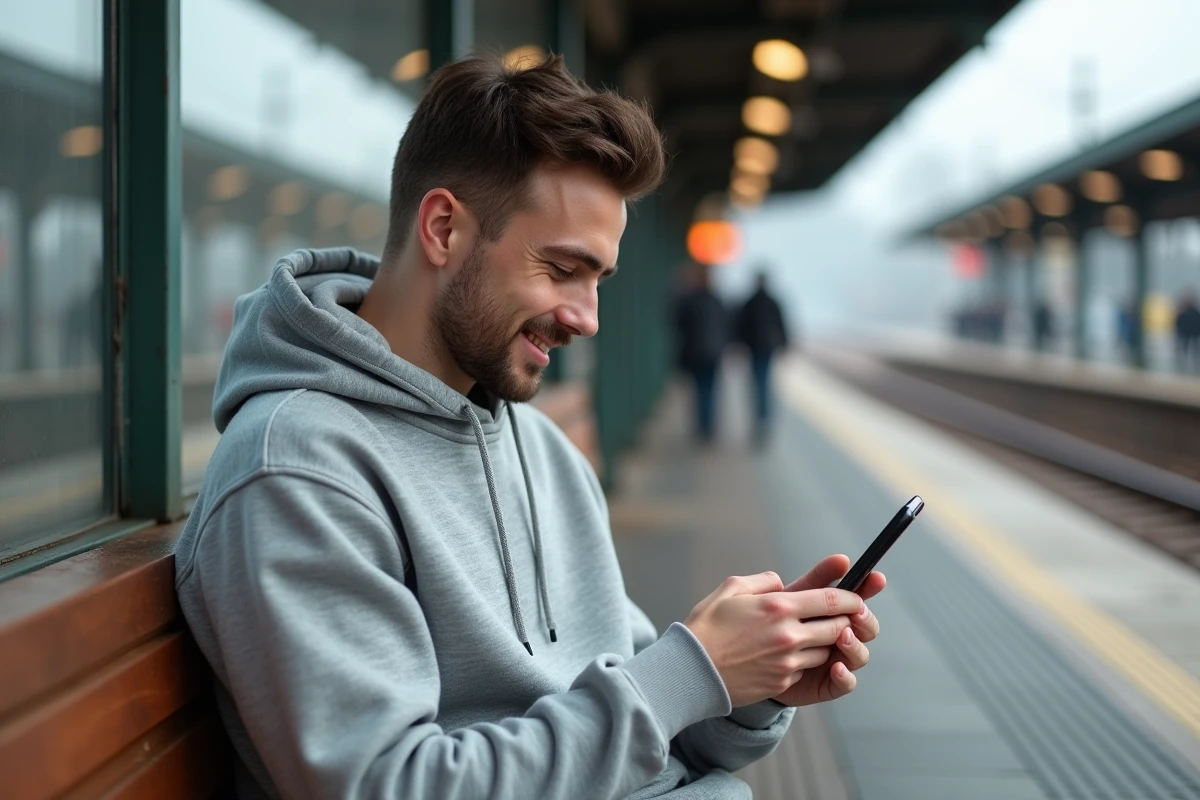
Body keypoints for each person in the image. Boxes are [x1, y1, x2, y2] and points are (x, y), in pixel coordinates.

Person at [175, 54, 886, 800]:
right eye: (561, 269)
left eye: (598, 280)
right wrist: (687, 672)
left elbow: (645, 714)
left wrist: (749, 683)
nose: (587, 318)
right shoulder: (297, 468)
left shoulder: (541, 449)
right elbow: (390, 784)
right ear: (444, 228)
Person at [673, 262, 727, 442]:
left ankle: (701, 427)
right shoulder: (717, 300)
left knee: (698, 390)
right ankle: (709, 427)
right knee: (711, 390)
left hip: (695, 353)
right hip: (713, 353)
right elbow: (725, 325)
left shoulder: (690, 300)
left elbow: (677, 322)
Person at [735, 271, 790, 441]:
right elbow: (781, 324)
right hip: (768, 348)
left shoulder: (749, 302)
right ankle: (764, 417)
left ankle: (760, 417)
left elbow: (741, 326)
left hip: (754, 348)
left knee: (757, 382)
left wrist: (739, 346)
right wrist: (784, 344)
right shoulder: (773, 302)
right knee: (764, 382)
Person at [1175, 289, 1200, 372]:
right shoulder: (1192, 312)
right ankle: (1185, 364)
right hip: (1189, 334)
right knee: (1190, 349)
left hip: (1189, 334)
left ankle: (1185, 364)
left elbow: (1179, 322)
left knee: (1190, 349)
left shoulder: (1186, 312)